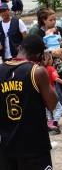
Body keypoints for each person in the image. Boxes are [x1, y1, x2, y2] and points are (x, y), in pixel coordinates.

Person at [0, 34, 57, 170]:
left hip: (7, 146)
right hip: (34, 147)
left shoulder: (1, 70)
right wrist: (46, 72)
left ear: (20, 48)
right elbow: (52, 104)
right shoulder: (37, 72)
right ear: (39, 55)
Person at [29, 8, 62, 130]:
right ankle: (51, 120)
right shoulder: (38, 33)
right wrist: (52, 53)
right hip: (46, 68)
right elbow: (38, 51)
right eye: (51, 19)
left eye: (54, 19)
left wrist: (61, 51)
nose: (54, 22)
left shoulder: (60, 30)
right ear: (43, 20)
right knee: (48, 93)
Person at [44, 51, 62, 135]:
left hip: (44, 93)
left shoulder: (41, 68)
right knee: (59, 108)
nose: (53, 60)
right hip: (52, 93)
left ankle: (49, 122)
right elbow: (56, 79)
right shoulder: (51, 69)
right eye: (52, 58)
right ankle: (55, 123)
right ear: (49, 60)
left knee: (48, 109)